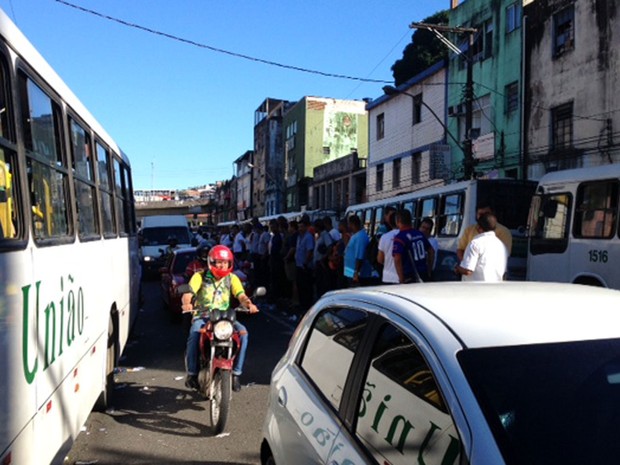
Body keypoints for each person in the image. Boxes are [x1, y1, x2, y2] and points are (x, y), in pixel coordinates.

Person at [182, 245, 258, 392]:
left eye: (226, 262)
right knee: (194, 334)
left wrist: (249, 304)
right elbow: (188, 294)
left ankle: (236, 373)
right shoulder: (200, 276)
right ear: (211, 262)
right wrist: (186, 304)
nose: (222, 265)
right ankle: (192, 374)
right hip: (203, 316)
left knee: (243, 334)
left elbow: (241, 295)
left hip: (225, 318)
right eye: (219, 262)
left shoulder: (232, 278)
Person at [456, 213, 508, 282]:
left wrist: (457, 268)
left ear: (479, 227)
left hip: (476, 289)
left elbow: (468, 271)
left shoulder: (475, 244)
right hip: (495, 289)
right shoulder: (502, 246)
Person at [393, 209, 434, 284]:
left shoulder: (399, 238)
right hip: (423, 273)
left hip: (410, 276)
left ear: (398, 221)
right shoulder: (419, 234)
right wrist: (429, 269)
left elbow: (397, 259)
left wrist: (401, 279)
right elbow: (431, 251)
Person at [343, 215, 373, 287]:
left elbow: (359, 256)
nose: (348, 226)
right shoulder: (355, 235)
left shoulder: (360, 237)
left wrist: (356, 272)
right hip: (350, 272)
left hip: (358, 275)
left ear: (352, 224)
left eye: (349, 224)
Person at [295, 218, 315, 314]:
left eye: (302, 227)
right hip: (299, 265)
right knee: (300, 286)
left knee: (306, 287)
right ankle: (302, 304)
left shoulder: (308, 237)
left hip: (305, 266)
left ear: (306, 227)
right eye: (299, 227)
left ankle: (307, 306)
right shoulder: (299, 237)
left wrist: (306, 263)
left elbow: (310, 251)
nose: (300, 229)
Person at [377, 208, 399, 284]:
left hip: (388, 276)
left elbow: (380, 259)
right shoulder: (383, 229)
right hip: (401, 276)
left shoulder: (385, 236)